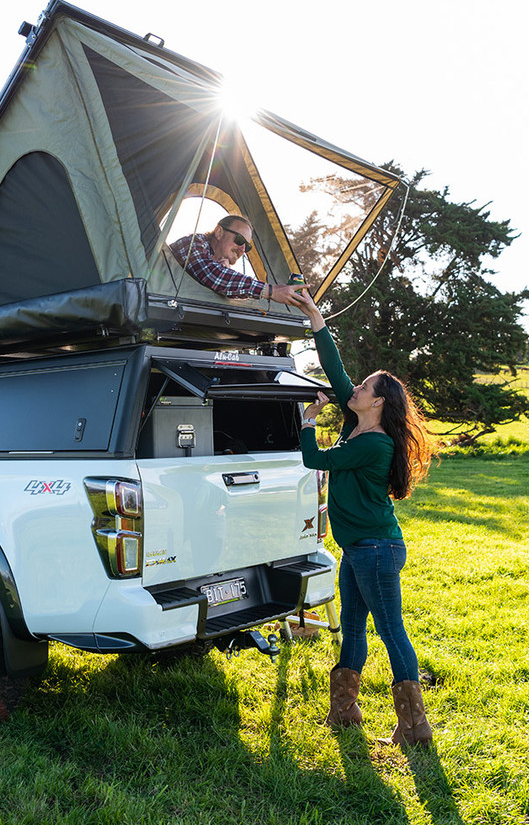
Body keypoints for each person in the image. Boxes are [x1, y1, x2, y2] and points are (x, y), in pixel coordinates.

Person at [296, 288, 437, 748]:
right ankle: (344, 712)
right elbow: (335, 367)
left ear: (377, 402)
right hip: (359, 548)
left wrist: (306, 422)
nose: (354, 389)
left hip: (376, 549)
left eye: (363, 389)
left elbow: (317, 461)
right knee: (353, 627)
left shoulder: (372, 443)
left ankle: (414, 727)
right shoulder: (358, 424)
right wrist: (317, 317)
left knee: (390, 629)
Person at [169, 214, 307, 306]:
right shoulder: (190, 244)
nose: (242, 249)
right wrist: (270, 291)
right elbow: (211, 275)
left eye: (247, 246)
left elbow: (223, 282)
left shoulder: (221, 270)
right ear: (219, 232)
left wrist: (224, 271)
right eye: (239, 240)